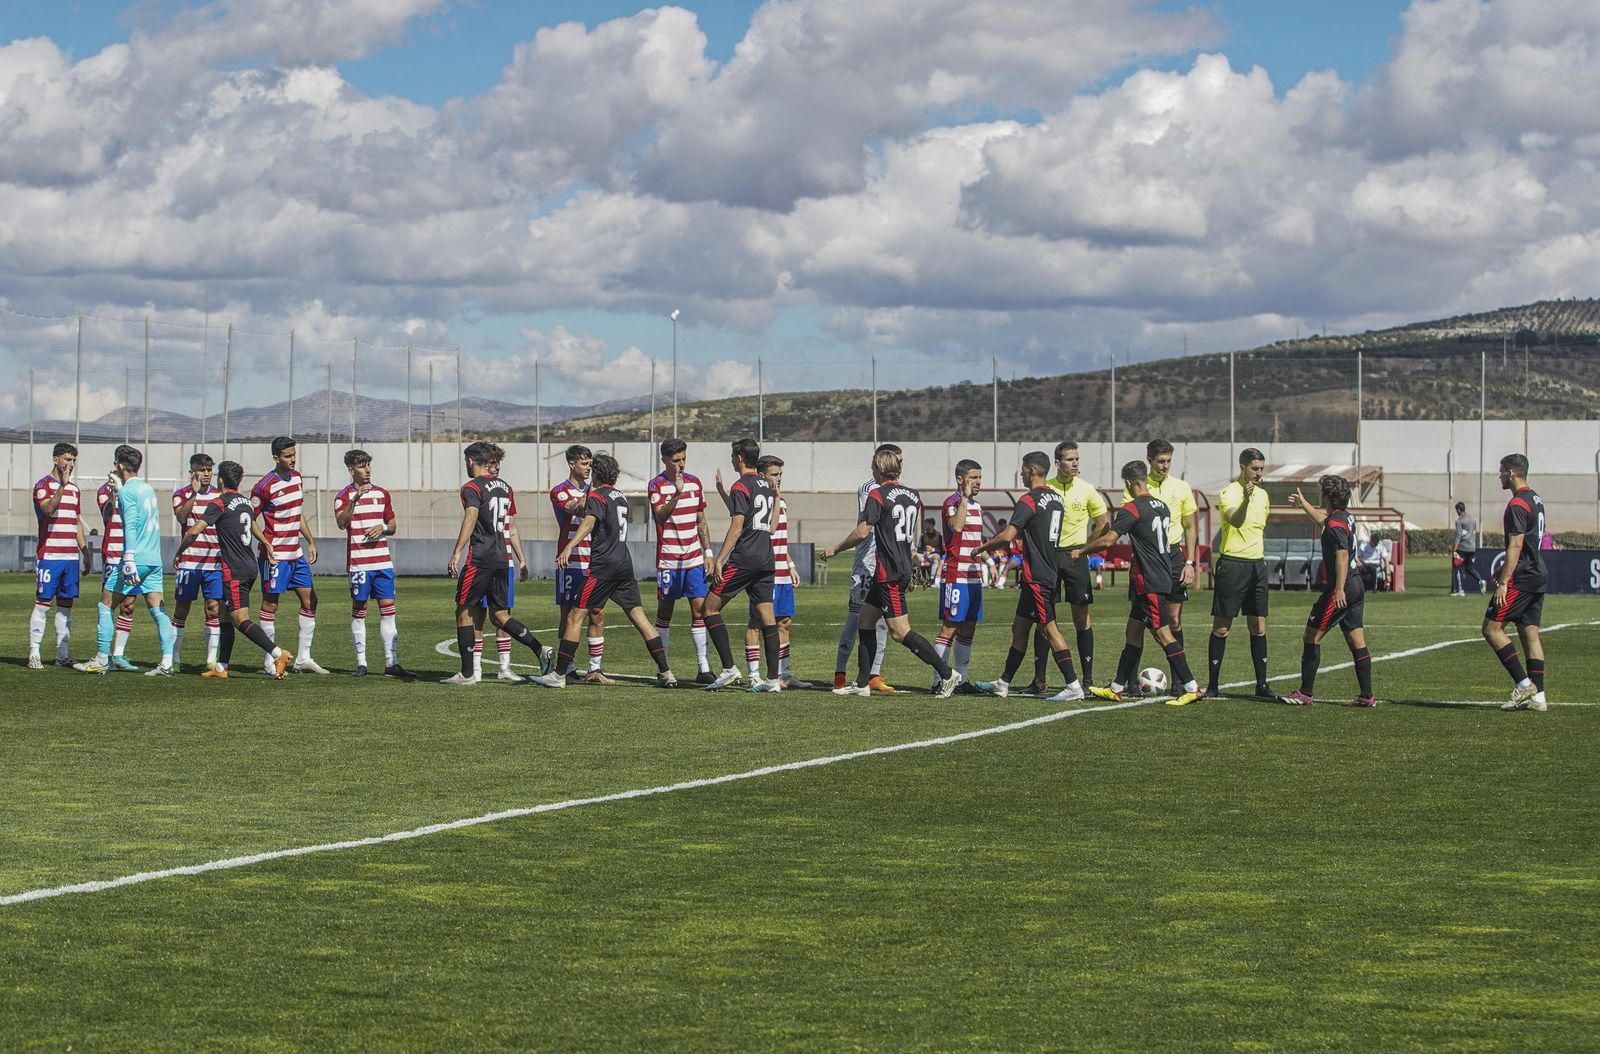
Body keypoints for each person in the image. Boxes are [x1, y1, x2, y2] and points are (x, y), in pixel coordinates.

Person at [821, 446, 961, 698]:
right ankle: (863, 683)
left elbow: (863, 531)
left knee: (900, 631)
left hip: (889, 571)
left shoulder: (877, 494)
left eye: (873, 467)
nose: (871, 471)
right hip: (897, 567)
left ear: (879, 468)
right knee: (866, 621)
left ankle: (947, 673)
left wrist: (836, 548)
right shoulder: (912, 494)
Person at [532, 453, 676, 688]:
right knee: (640, 618)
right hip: (624, 565)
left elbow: (588, 523)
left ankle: (558, 675)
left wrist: (569, 545)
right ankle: (666, 671)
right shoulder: (620, 497)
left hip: (603, 567)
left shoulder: (597, 496)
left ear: (597, 473)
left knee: (575, 616)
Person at [1077, 460, 1203, 706]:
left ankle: (1191, 686)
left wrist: (1081, 551)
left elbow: (1108, 541)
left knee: (1162, 633)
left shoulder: (1132, 509)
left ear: (1127, 482)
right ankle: (1116, 687)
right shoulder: (1162, 507)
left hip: (1150, 580)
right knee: (1132, 632)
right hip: (1162, 574)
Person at [969, 451, 1084, 702]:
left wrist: (981, 548)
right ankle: (1003, 683)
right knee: (1019, 628)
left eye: (1022, 470)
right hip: (1049, 572)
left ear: (1032, 471)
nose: (1021, 474)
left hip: (1037, 576)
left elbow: (1008, 535)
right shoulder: (1056, 499)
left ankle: (1073, 685)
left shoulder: (1029, 500)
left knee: (1049, 629)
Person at [443, 442, 552, 685]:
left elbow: (471, 516)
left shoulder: (471, 487)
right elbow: (509, 525)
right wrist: (521, 559)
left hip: (480, 558)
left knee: (464, 611)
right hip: (503, 560)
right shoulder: (505, 488)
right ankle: (540, 649)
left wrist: (457, 552)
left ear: (471, 460)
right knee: (500, 615)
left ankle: (468, 673)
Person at [178, 460, 292, 679]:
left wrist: (179, 551)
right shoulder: (245, 501)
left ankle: (278, 653)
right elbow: (253, 524)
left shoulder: (220, 503)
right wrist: (266, 543)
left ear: (220, 479)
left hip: (234, 569)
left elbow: (194, 531)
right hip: (248, 565)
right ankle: (221, 667)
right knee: (224, 614)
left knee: (240, 619)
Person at [74, 445, 177, 676]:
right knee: (158, 610)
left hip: (136, 557)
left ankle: (102, 659)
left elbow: (129, 525)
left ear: (120, 466)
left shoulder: (127, 491)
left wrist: (128, 557)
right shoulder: (147, 489)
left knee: (105, 604)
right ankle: (167, 663)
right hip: (154, 558)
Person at [1277, 475, 1375, 707]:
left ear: (1328, 497)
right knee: (1356, 640)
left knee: (1311, 636)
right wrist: (1304, 505)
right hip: (1356, 585)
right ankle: (1366, 696)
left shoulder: (1335, 524)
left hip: (1341, 588)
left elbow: (1341, 553)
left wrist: (1338, 589)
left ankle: (1305, 693)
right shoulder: (1344, 518)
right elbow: (1325, 521)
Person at [701, 438, 784, 691]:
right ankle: (772, 680)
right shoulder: (766, 485)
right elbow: (769, 526)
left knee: (709, 609)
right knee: (768, 619)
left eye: (732, 455)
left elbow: (737, 528)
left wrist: (719, 559)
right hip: (766, 559)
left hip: (744, 559)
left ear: (738, 457)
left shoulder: (741, 485)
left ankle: (729, 669)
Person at [1033, 441, 1108, 694]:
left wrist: (1086, 547)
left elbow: (1103, 522)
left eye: (1077, 459)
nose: (1075, 463)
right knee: (1044, 618)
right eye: (1069, 459)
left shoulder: (1086, 489)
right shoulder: (1046, 488)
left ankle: (1087, 680)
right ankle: (1039, 680)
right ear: (1057, 463)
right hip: (1049, 557)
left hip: (1075, 557)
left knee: (1081, 618)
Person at [334, 449, 415, 679]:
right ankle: (361, 663)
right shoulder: (342, 496)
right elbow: (341, 523)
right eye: (361, 466)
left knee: (388, 611)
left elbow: (392, 525)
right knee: (359, 611)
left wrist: (383, 527)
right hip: (359, 564)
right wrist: (355, 499)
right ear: (351, 470)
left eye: (368, 465)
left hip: (382, 562)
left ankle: (392, 663)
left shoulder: (382, 494)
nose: (367, 469)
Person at [251, 436, 326, 674]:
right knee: (270, 605)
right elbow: (249, 519)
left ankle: (303, 659)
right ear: (276, 458)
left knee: (310, 600)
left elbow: (298, 513)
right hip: (275, 556)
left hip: (295, 554)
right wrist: (266, 543)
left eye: (294, 454)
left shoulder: (297, 478)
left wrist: (310, 541)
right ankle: (269, 660)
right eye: (287, 456)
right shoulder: (264, 486)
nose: (292, 459)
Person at [1206, 447, 1272, 699]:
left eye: (1261, 469)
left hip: (1257, 565)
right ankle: (1213, 685)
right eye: (1254, 468)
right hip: (1232, 565)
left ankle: (1262, 686)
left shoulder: (1264, 496)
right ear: (1242, 467)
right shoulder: (1228, 493)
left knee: (1259, 626)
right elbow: (1235, 521)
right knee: (1222, 628)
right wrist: (1245, 499)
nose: (1258, 473)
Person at [1486, 454, 1549, 712]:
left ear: (1511, 472)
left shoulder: (1517, 504)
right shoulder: (1536, 499)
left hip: (1521, 578)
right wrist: (1503, 566)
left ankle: (1524, 683)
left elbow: (1516, 543)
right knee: (1529, 632)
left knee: (1491, 629)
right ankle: (1539, 697)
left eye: (1501, 471)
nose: (1499, 476)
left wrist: (1504, 581)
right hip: (1537, 573)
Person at [740, 455, 809, 688]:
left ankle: (784, 675)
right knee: (755, 623)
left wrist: (790, 565)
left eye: (780, 475)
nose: (779, 479)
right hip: (764, 573)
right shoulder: (758, 502)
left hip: (782, 572)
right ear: (761, 475)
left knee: (784, 622)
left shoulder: (783, 502)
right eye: (774, 474)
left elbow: (780, 540)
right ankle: (754, 676)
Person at [649, 438, 714, 683]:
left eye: (684, 459)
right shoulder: (655, 485)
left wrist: (708, 553)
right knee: (665, 612)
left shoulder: (695, 483)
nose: (681, 464)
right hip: (668, 560)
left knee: (700, 611)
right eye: (676, 460)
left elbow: (701, 520)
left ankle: (704, 668)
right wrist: (676, 493)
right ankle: (663, 670)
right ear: (664, 459)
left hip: (694, 560)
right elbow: (660, 517)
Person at [1124, 440, 1199, 651]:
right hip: (1146, 559)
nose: (1165, 466)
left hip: (1174, 556)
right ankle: (1130, 682)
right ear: (1149, 460)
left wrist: (1190, 562)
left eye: (1168, 461)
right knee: (1138, 621)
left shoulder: (1181, 487)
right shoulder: (1136, 486)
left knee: (1174, 620)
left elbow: (1190, 527)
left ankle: (1179, 683)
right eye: (1160, 461)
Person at [833, 445, 897, 692]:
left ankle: (874, 674)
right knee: (855, 619)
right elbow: (865, 527)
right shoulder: (869, 489)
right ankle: (840, 673)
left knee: (882, 623)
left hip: (886, 566)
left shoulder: (897, 491)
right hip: (866, 564)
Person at [550, 445, 608, 683]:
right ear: (572, 464)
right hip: (571, 563)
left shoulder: (595, 491)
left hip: (594, 562)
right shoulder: (560, 491)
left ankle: (595, 669)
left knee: (597, 613)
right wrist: (597, 491)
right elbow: (575, 507)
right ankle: (569, 667)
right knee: (569, 615)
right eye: (584, 464)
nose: (588, 468)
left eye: (590, 464)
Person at [29, 442, 88, 669]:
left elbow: (75, 522)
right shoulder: (43, 485)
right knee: (43, 604)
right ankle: (34, 652)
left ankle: (62, 654)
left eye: (73, 460)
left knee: (65, 606)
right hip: (50, 555)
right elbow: (48, 509)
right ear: (55, 460)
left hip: (70, 557)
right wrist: (61, 487)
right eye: (66, 459)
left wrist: (84, 551)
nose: (70, 464)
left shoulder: (75, 489)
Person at [479, 454, 535, 682]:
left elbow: (511, 527)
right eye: (491, 462)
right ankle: (475, 667)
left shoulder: (506, 489)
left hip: (505, 561)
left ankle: (504, 667)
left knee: (503, 614)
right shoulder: (477, 488)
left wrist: (521, 559)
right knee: (478, 614)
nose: (496, 467)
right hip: (484, 559)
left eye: (498, 463)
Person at [934, 459, 985, 693]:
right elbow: (956, 526)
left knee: (969, 627)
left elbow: (975, 540)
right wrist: (963, 498)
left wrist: (989, 560)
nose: (977, 482)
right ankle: (939, 679)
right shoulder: (952, 502)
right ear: (960, 479)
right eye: (973, 477)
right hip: (956, 575)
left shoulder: (978, 506)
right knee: (950, 627)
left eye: (979, 477)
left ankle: (961, 679)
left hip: (974, 575)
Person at [171, 453, 225, 672]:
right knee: (182, 610)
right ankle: (173, 656)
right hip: (189, 563)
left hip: (214, 562)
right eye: (202, 470)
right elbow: (182, 518)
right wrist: (193, 494)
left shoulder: (220, 496)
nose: (206, 474)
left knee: (213, 609)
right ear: (192, 472)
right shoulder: (181, 494)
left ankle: (211, 660)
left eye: (209, 470)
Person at [94, 474, 142, 670]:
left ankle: (119, 655)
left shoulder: (139, 489)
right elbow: (106, 517)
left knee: (129, 605)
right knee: (109, 604)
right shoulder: (105, 490)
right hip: (113, 554)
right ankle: (103, 655)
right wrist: (114, 494)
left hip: (132, 554)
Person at [1452, 501, 1480, 596]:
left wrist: (1455, 549)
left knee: (1458, 567)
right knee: (1469, 568)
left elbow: (1458, 535)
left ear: (1458, 510)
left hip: (1462, 548)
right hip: (1472, 547)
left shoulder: (1459, 521)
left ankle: (1460, 590)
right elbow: (1474, 533)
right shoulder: (1472, 519)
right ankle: (1481, 580)